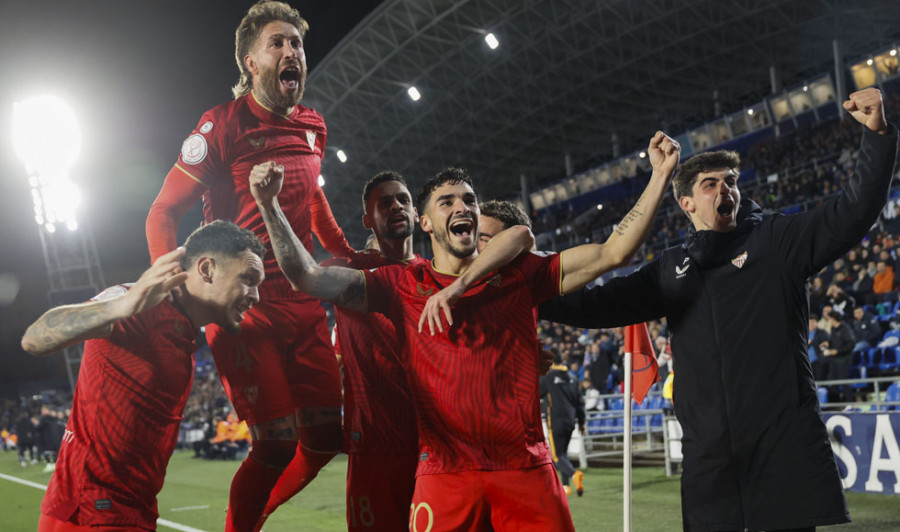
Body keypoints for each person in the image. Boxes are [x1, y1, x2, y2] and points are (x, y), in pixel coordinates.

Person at [249, 130, 680, 530]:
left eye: (469, 200)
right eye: (447, 202)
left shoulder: (518, 274)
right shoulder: (400, 285)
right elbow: (305, 276)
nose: (462, 207)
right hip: (444, 475)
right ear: (428, 223)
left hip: (525, 469)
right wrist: (269, 206)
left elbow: (612, 253)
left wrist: (659, 175)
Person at [539, 88, 897, 531]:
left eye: (731, 181)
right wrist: (529, 291)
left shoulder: (776, 240)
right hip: (711, 465)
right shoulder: (671, 269)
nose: (725, 189)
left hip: (781, 452)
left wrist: (877, 134)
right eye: (711, 184)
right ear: (686, 202)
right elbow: (596, 304)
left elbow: (854, 212)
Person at [144, 2, 352, 529]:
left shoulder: (313, 126)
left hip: (306, 306)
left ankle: (254, 516)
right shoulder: (220, 125)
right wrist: (172, 289)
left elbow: (314, 203)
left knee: (328, 437)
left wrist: (346, 254)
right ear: (250, 62)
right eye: (277, 43)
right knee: (275, 445)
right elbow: (163, 211)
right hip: (246, 310)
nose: (291, 52)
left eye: (297, 44)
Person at [22, 221, 265, 532]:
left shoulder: (185, 330)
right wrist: (122, 304)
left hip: (132, 507)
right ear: (207, 269)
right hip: (94, 509)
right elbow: (35, 337)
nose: (255, 295)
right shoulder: (137, 304)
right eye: (247, 279)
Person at [316, 171, 426, 531]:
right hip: (374, 449)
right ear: (368, 221)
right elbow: (297, 270)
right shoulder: (351, 272)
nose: (396, 206)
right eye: (384, 202)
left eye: (403, 200)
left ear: (415, 213)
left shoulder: (440, 275)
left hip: (435, 447)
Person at [539, 349, 586, 497]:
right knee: (564, 453)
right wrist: (582, 423)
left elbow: (534, 392)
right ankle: (565, 486)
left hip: (556, 420)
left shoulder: (548, 378)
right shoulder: (572, 378)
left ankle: (574, 474)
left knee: (557, 456)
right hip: (571, 421)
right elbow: (580, 403)